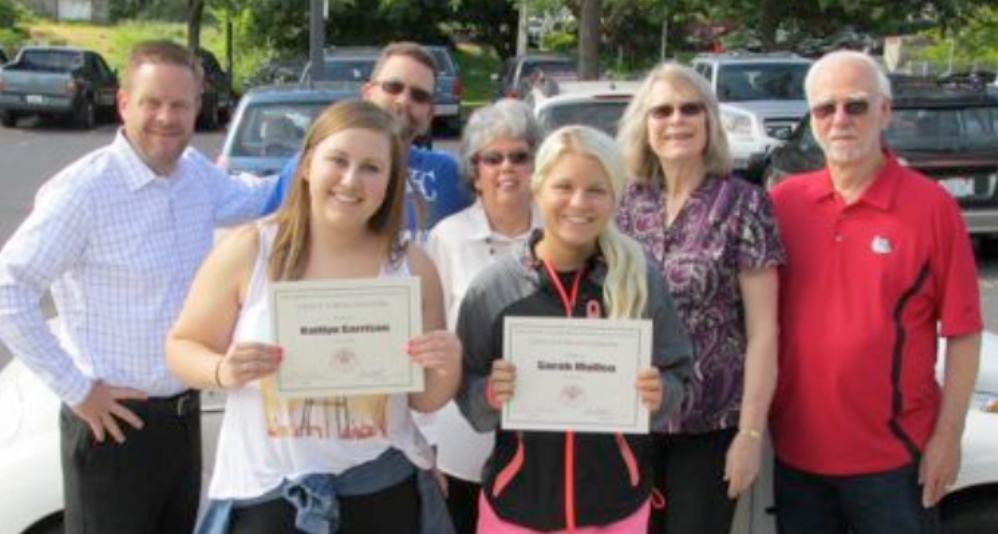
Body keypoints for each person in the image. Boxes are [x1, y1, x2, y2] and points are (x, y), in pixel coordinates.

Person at [0, 40, 275, 534]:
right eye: (152, 103)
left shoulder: (194, 175)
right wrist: (78, 392)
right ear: (125, 103)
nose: (166, 117)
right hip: (112, 429)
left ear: (198, 108)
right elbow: (8, 288)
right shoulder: (84, 191)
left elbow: (255, 199)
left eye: (180, 104)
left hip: (182, 421)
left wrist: (326, 164)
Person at [166, 100, 460, 534]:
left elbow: (424, 399)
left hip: (381, 486)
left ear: (391, 181)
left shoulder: (412, 266)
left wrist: (447, 365)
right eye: (337, 161)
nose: (350, 180)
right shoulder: (250, 249)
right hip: (270, 494)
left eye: (371, 168)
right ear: (306, 166)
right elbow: (180, 346)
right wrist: (222, 369)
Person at [768, 50, 982, 534]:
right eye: (826, 108)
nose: (840, 119)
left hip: (896, 464)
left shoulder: (932, 208)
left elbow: (964, 333)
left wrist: (948, 437)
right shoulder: (782, 204)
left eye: (856, 106)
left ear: (886, 112)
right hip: (798, 458)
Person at [455, 125, 693, 533]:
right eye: (563, 186)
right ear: (537, 188)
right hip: (518, 508)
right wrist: (491, 394)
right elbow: (466, 388)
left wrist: (661, 392)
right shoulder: (494, 289)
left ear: (616, 197)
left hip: (616, 508)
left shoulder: (640, 279)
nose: (579, 203)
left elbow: (679, 374)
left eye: (596, 190)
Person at [614, 61, 785, 534]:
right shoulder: (623, 204)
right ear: (643, 125)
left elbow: (764, 330)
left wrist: (750, 435)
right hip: (627, 421)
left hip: (710, 428)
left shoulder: (745, 204)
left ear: (710, 121)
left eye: (691, 109)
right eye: (662, 111)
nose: (676, 121)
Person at [424, 98, 543, 533]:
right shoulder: (447, 239)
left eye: (519, 156)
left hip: (548, 442)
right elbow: (429, 342)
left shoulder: (565, 236)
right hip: (464, 440)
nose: (507, 167)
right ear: (476, 172)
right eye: (492, 158)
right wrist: (426, 440)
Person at [263, 41, 473, 236]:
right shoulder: (312, 167)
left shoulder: (449, 175)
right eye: (393, 87)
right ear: (368, 93)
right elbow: (273, 241)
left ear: (429, 114)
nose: (403, 100)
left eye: (419, 95)